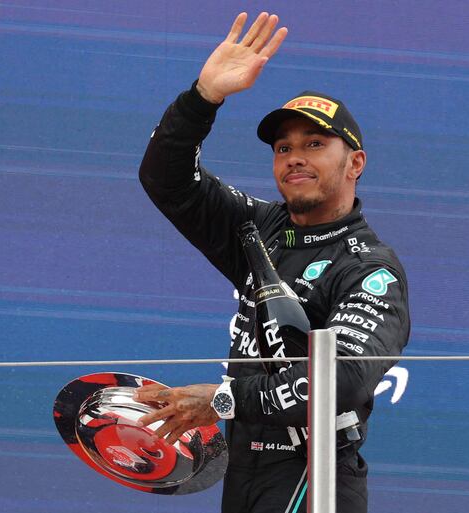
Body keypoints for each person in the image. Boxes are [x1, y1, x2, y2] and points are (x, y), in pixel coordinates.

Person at [134, 11, 410, 513]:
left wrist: (223, 399)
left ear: (356, 163)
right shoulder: (256, 228)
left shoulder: (370, 270)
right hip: (244, 472)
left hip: (315, 476)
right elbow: (165, 179)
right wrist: (204, 97)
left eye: (314, 144)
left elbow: (341, 380)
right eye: (283, 147)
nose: (294, 157)